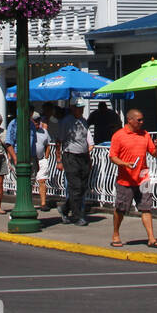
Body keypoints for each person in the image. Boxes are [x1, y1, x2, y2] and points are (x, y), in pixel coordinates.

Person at [109, 109, 157, 247]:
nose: (142, 122)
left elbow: (154, 154)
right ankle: (116, 233)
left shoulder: (145, 135)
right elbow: (113, 157)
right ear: (130, 120)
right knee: (121, 209)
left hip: (143, 177)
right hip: (125, 179)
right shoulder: (119, 135)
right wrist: (125, 164)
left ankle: (151, 238)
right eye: (139, 120)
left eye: (142, 119)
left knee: (146, 208)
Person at [52, 96, 94, 225]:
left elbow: (87, 140)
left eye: (82, 108)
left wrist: (89, 158)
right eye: (78, 108)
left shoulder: (84, 121)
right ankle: (77, 216)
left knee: (82, 187)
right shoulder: (65, 122)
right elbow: (59, 141)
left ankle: (64, 208)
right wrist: (58, 160)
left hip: (83, 156)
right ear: (72, 108)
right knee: (75, 186)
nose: (80, 110)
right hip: (70, 156)